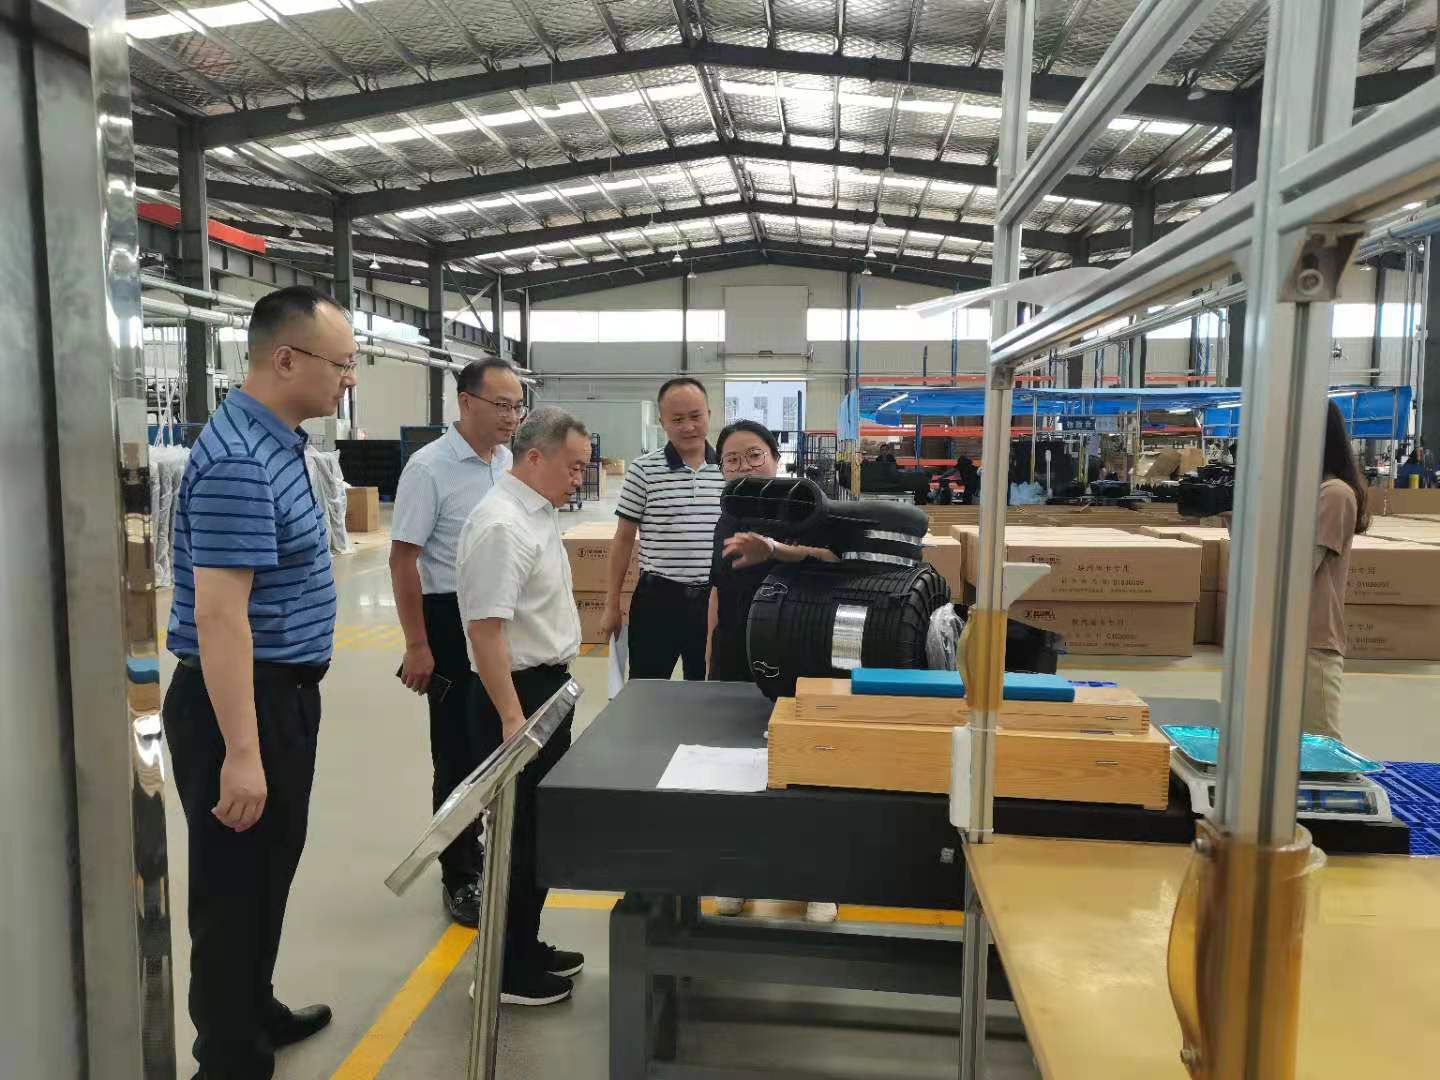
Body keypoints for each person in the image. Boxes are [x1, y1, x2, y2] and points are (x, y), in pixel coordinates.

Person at [163, 285, 356, 1079]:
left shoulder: (279, 443)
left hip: (280, 696)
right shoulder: (242, 461)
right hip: (242, 704)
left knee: (267, 870)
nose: (348, 378)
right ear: (285, 359)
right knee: (234, 888)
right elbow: (219, 617)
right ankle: (229, 1057)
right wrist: (242, 751)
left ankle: (252, 1007)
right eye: (340, 364)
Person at [456, 408, 592, 1006]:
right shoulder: (501, 525)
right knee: (514, 836)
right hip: (515, 698)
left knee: (536, 833)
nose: (579, 480)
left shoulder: (535, 514)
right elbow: (485, 631)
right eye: (573, 467)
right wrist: (514, 720)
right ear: (534, 457)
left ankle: (523, 945)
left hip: (544, 690)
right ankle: (503, 971)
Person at [389, 358, 523, 926]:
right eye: (502, 405)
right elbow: (403, 559)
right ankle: (460, 874)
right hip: (448, 618)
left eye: (518, 407)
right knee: (457, 751)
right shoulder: (429, 468)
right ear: (466, 402)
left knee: (497, 739)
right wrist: (418, 644)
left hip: (497, 615)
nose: (512, 417)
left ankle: (486, 847)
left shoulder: (507, 461)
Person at [705, 420, 839, 924]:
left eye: (754, 455)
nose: (744, 466)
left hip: (799, 653)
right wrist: (711, 655)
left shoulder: (807, 504)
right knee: (737, 767)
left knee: (806, 766)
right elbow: (719, 588)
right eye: (732, 460)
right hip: (737, 655)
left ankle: (816, 881)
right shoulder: (728, 513)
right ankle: (737, 875)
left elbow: (833, 557)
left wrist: (775, 550)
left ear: (776, 458)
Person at [601, 377, 726, 679]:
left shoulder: (728, 469)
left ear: (709, 414)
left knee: (707, 691)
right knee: (646, 688)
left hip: (714, 602)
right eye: (677, 419)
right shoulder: (643, 470)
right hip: (658, 602)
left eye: (696, 416)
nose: (688, 427)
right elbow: (623, 540)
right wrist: (611, 603)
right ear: (663, 423)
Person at [1307, 400, 1371, 742]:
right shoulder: (1310, 494)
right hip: (1286, 637)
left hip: (1313, 640)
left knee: (1321, 749)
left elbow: (1298, 568)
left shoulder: (1334, 494)